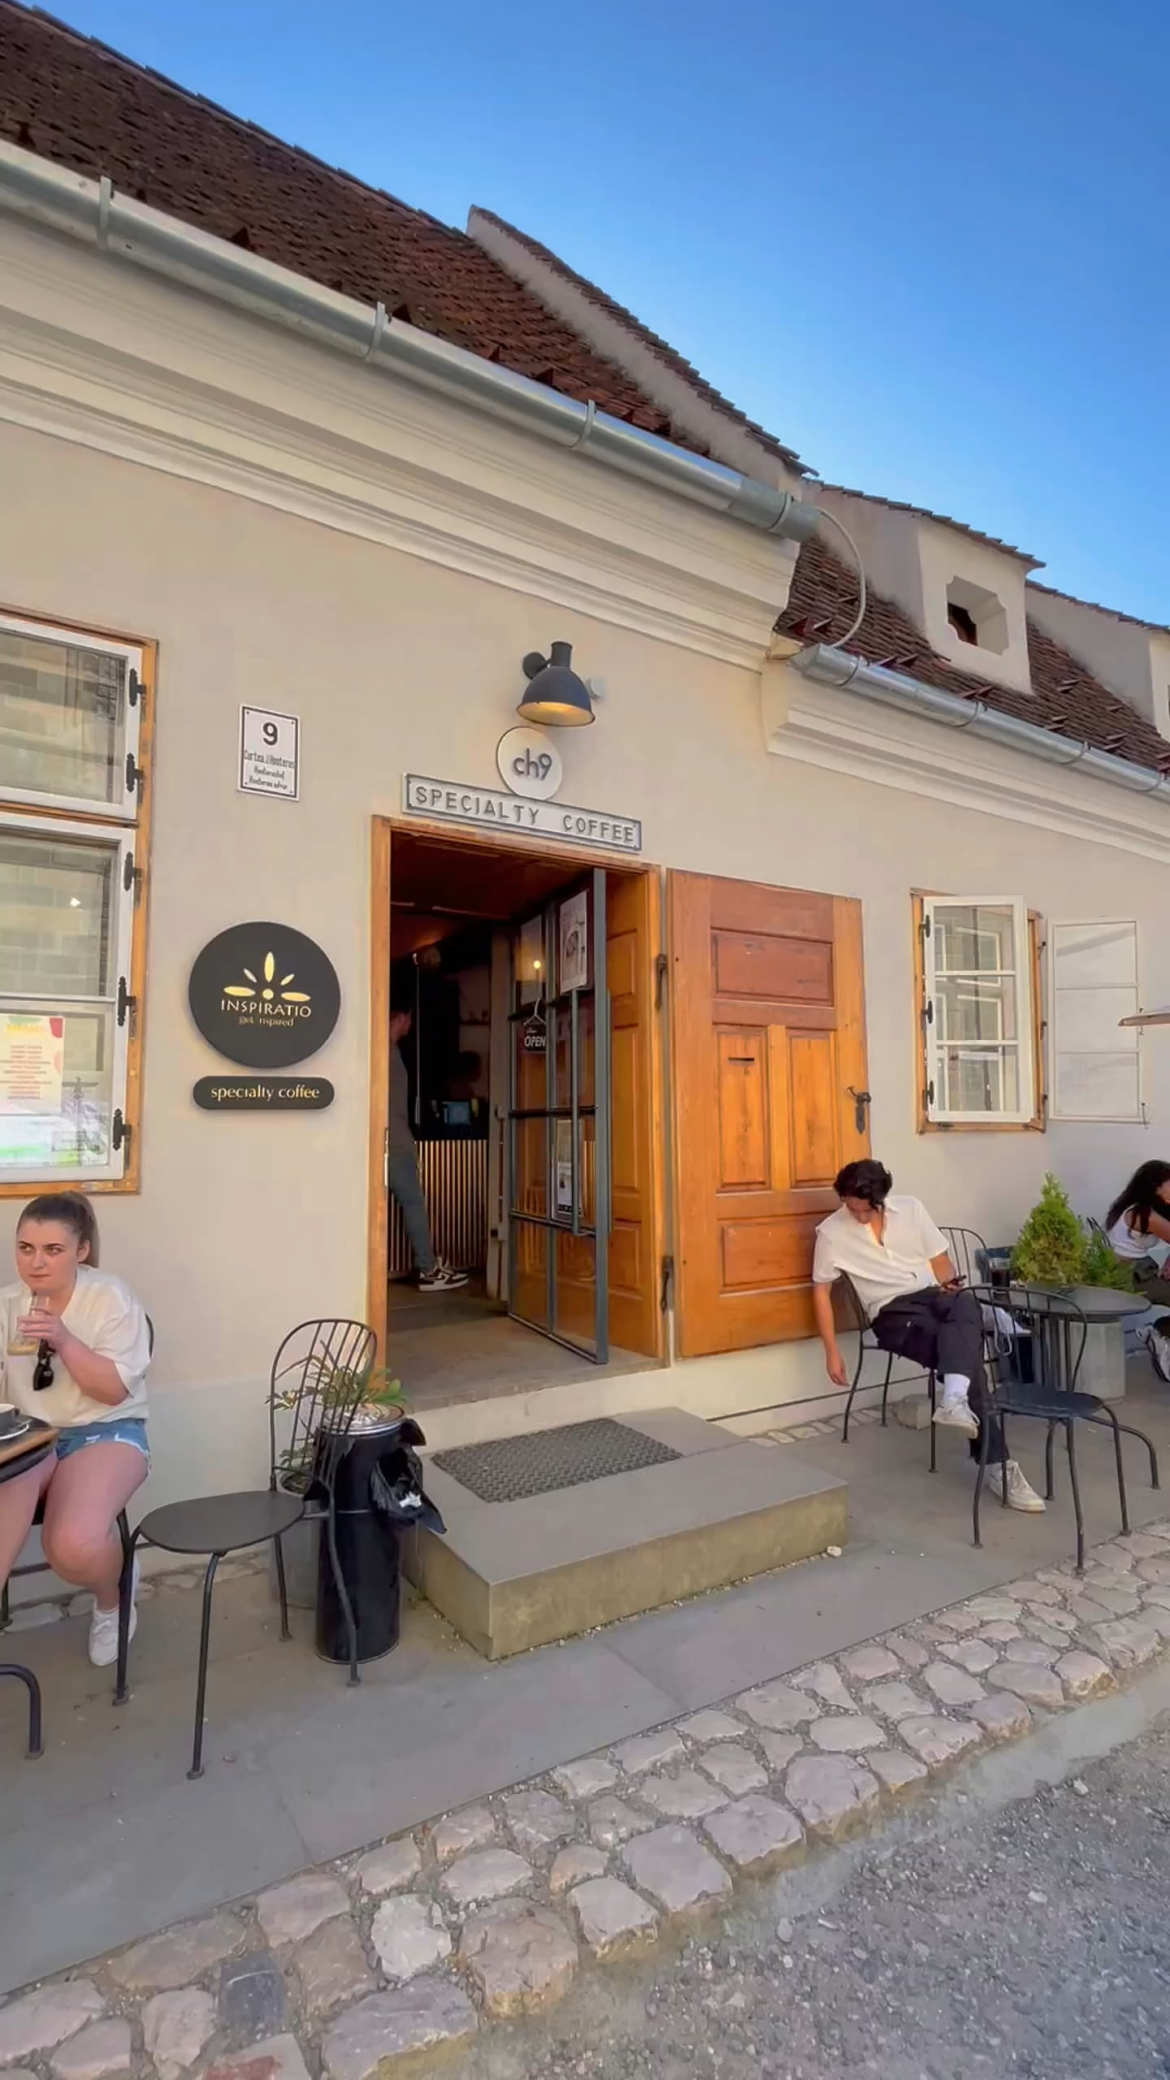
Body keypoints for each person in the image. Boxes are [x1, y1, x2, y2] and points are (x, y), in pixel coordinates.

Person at [812, 1158, 1045, 1513]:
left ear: (882, 1200)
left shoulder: (911, 1210)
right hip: (892, 1314)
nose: (858, 1217)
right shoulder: (831, 1233)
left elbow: (940, 1262)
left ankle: (956, 1398)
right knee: (970, 1364)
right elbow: (821, 1293)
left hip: (932, 1296)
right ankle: (997, 1461)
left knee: (961, 1302)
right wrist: (831, 1350)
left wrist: (948, 1282)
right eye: (851, 1207)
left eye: (865, 1211)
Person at [0, 1193, 152, 1665]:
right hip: (29, 1436)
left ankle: (113, 1597)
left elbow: (113, 1392)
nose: (36, 1262)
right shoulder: (7, 1303)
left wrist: (63, 1339)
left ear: (81, 1250)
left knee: (71, 1546)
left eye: (52, 1250)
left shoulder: (109, 1298)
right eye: (26, 1248)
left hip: (105, 1430)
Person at [389, 1004, 467, 1292]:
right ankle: (429, 1269)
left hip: (388, 1139)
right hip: (395, 1142)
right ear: (401, 1016)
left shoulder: (383, 1049)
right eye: (409, 1018)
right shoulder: (386, 1051)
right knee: (413, 1204)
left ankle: (429, 1265)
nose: (410, 1025)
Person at [1104, 1161, 1170, 1382]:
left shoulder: (1135, 1207)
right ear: (1155, 1186)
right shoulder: (1144, 1215)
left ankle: (1160, 1335)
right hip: (1132, 1276)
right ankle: (1160, 1334)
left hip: (1137, 1270)